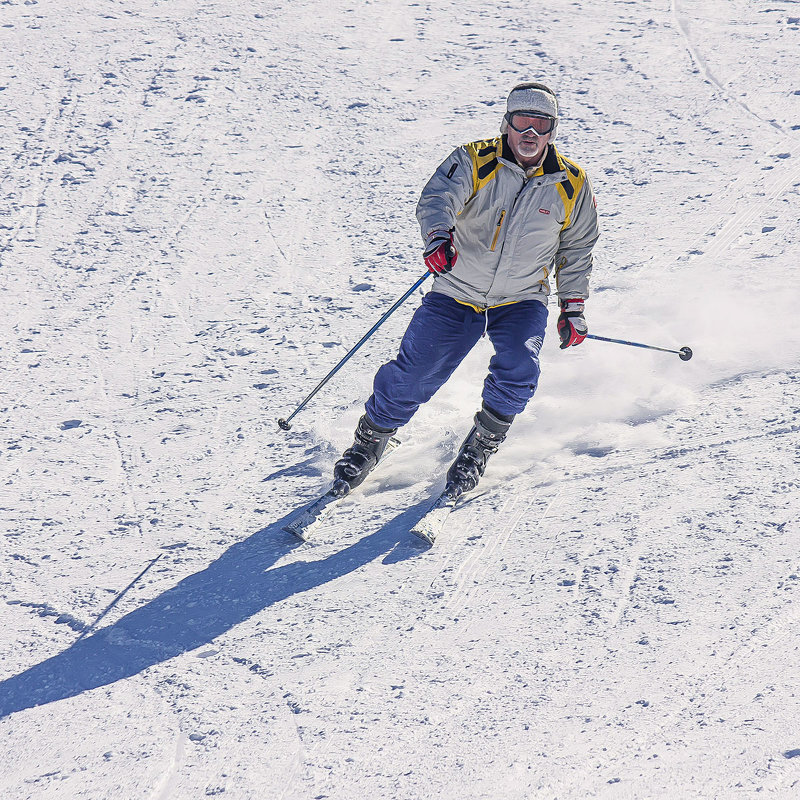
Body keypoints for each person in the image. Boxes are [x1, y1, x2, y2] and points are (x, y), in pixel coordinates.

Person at [333, 82, 599, 498]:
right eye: (522, 121)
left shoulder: (572, 182)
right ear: (507, 123)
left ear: (553, 129)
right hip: (457, 289)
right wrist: (438, 238)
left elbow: (577, 247)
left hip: (521, 298)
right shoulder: (475, 159)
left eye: (541, 124)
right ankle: (370, 441)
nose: (531, 132)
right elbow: (439, 199)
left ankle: (480, 447)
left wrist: (573, 307)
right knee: (413, 375)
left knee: (519, 370)